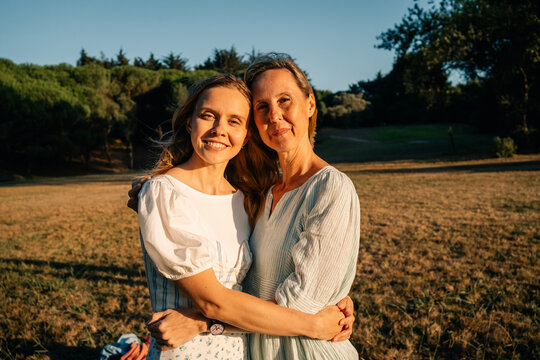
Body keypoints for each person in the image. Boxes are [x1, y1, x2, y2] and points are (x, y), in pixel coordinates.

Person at [131, 73, 356, 360]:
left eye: (234, 121)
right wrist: (314, 323)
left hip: (245, 351)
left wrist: (331, 295)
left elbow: (269, 279)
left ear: (246, 134)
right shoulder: (165, 192)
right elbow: (213, 301)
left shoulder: (247, 198)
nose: (219, 129)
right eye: (208, 115)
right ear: (190, 121)